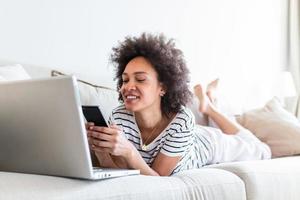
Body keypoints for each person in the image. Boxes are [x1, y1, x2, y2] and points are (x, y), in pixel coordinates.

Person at [86, 33, 271, 176]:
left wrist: (129, 151)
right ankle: (208, 103)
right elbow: (118, 170)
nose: (128, 87)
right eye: (125, 80)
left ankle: (210, 108)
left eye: (140, 79)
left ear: (163, 87)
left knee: (262, 150)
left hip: (206, 143)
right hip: (182, 138)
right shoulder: (119, 117)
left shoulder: (182, 120)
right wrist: (99, 147)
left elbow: (159, 177)